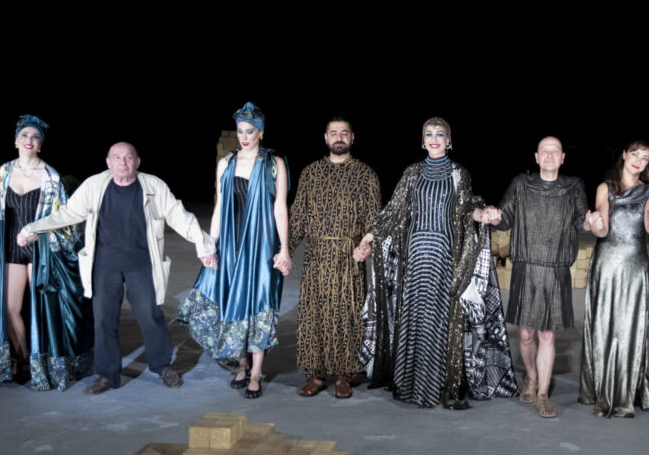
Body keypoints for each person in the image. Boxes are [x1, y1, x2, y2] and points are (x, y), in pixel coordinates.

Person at [18, 142, 217, 394]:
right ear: (108, 162)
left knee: (150, 315)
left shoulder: (153, 186)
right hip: (105, 265)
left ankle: (162, 366)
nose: (123, 162)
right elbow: (67, 214)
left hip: (141, 263)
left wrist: (203, 244)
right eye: (117, 157)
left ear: (137, 162)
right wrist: (33, 228)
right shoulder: (94, 186)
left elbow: (179, 216)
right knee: (104, 320)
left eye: (128, 157)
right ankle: (107, 375)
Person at [354, 117, 516, 409]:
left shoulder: (458, 174)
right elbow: (393, 210)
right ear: (422, 141)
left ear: (449, 141)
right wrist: (367, 239)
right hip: (415, 257)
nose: (434, 139)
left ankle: (435, 390)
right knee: (413, 318)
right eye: (428, 134)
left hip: (444, 257)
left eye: (440, 134)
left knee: (439, 321)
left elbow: (466, 211)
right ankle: (409, 386)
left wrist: (484, 215)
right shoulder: (412, 173)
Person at [0, 115, 95, 390]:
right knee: (10, 308)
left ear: (40, 144)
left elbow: (63, 219)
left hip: (41, 250)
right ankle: (23, 358)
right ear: (16, 141)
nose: (29, 140)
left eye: (35, 137)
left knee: (41, 307)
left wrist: (38, 232)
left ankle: (43, 362)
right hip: (10, 248)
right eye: (24, 135)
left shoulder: (51, 176)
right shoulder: (4, 172)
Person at [179, 103, 288, 399]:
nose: (244, 137)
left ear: (261, 132)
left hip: (261, 245)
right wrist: (209, 246)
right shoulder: (226, 163)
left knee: (259, 302)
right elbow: (219, 209)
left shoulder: (274, 163)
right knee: (230, 299)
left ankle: (257, 372)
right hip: (230, 243)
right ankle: (242, 364)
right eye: (240, 131)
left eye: (250, 131)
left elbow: (280, 208)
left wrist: (284, 249)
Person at [489, 136, 593, 418]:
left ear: (562, 158)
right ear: (536, 157)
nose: (549, 155)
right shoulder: (521, 184)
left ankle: (543, 394)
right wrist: (495, 217)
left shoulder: (573, 187)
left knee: (547, 335)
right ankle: (532, 378)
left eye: (554, 151)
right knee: (525, 334)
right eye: (544, 151)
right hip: (526, 266)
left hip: (556, 269)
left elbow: (581, 221)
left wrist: (590, 222)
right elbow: (505, 218)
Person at [288, 116, 380, 399]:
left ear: (352, 138)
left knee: (347, 315)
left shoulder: (365, 175)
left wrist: (368, 247)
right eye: (333, 133)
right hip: (316, 257)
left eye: (344, 133)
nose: (339, 137)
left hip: (348, 257)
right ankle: (315, 375)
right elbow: (298, 217)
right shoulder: (310, 173)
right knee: (313, 313)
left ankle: (344, 375)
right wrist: (285, 251)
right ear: (325, 138)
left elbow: (374, 221)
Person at [579, 140, 649, 418]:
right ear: (624, 155)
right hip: (607, 265)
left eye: (645, 157)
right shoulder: (605, 188)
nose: (639, 160)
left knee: (629, 330)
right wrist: (594, 224)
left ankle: (625, 391)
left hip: (635, 267)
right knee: (604, 327)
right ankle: (602, 391)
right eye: (635, 154)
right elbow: (602, 232)